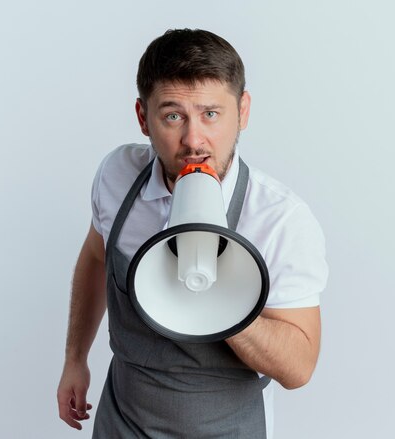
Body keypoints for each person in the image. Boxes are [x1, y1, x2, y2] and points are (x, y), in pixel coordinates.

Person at [57, 28, 328, 438]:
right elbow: (97, 257)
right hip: (123, 422)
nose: (193, 139)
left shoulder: (280, 219)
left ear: (244, 111)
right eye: (172, 116)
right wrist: (75, 358)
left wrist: (224, 304)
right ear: (142, 118)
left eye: (211, 114)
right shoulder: (116, 176)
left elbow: (299, 367)